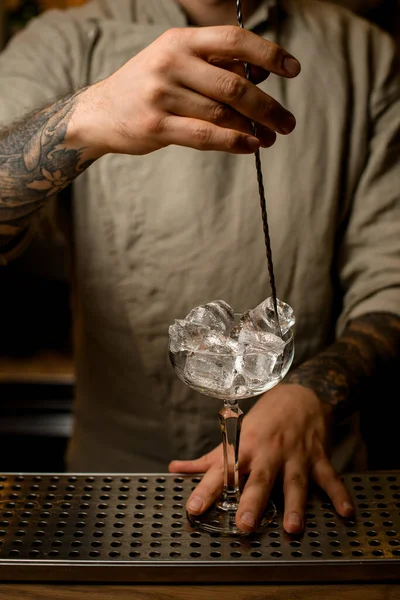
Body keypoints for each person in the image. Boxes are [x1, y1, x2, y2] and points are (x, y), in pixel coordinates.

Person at [0, 0, 399, 535]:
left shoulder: (366, 55)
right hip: (118, 504)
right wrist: (84, 115)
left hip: (314, 493)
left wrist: (315, 392)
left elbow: (391, 281)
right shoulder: (65, 42)